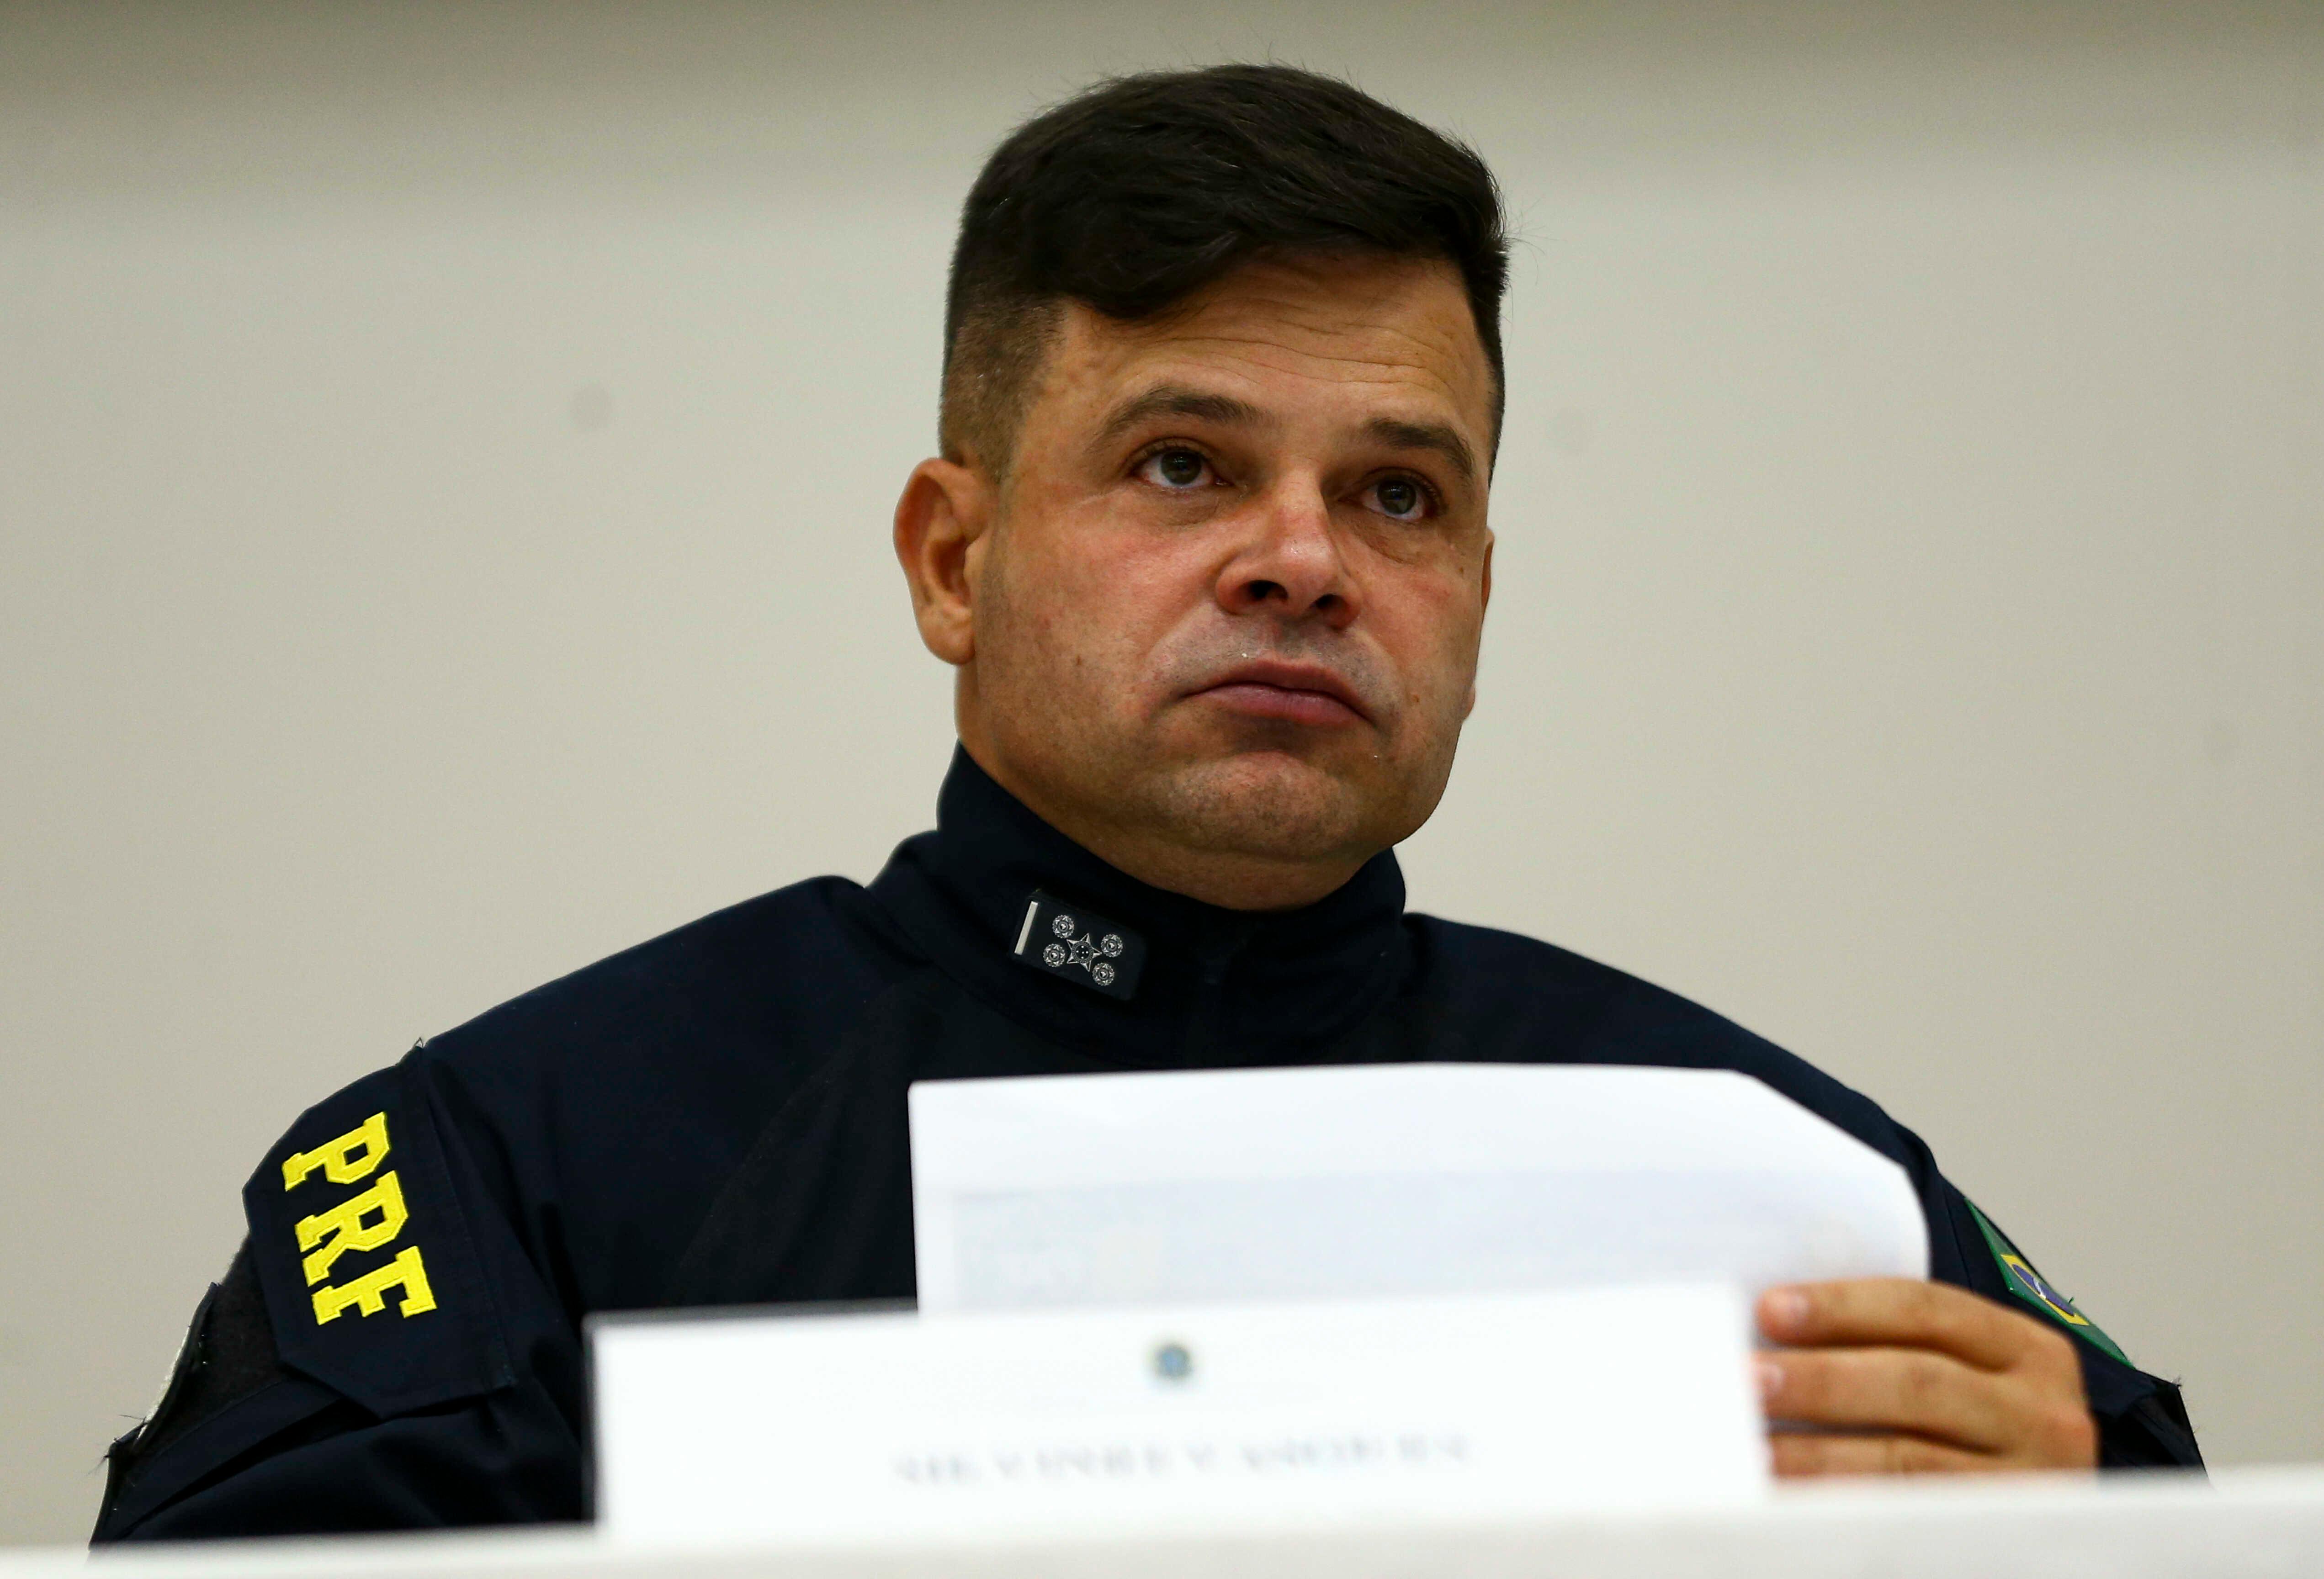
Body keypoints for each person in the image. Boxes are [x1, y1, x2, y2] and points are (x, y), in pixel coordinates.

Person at [92, 63, 2201, 1543]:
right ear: (952, 556)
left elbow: (2198, 1521)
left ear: (1478, 586)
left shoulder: (1776, 1181)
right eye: (1183, 463)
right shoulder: (517, 1161)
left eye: (1400, 491)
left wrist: (2099, 1535)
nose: (1306, 557)